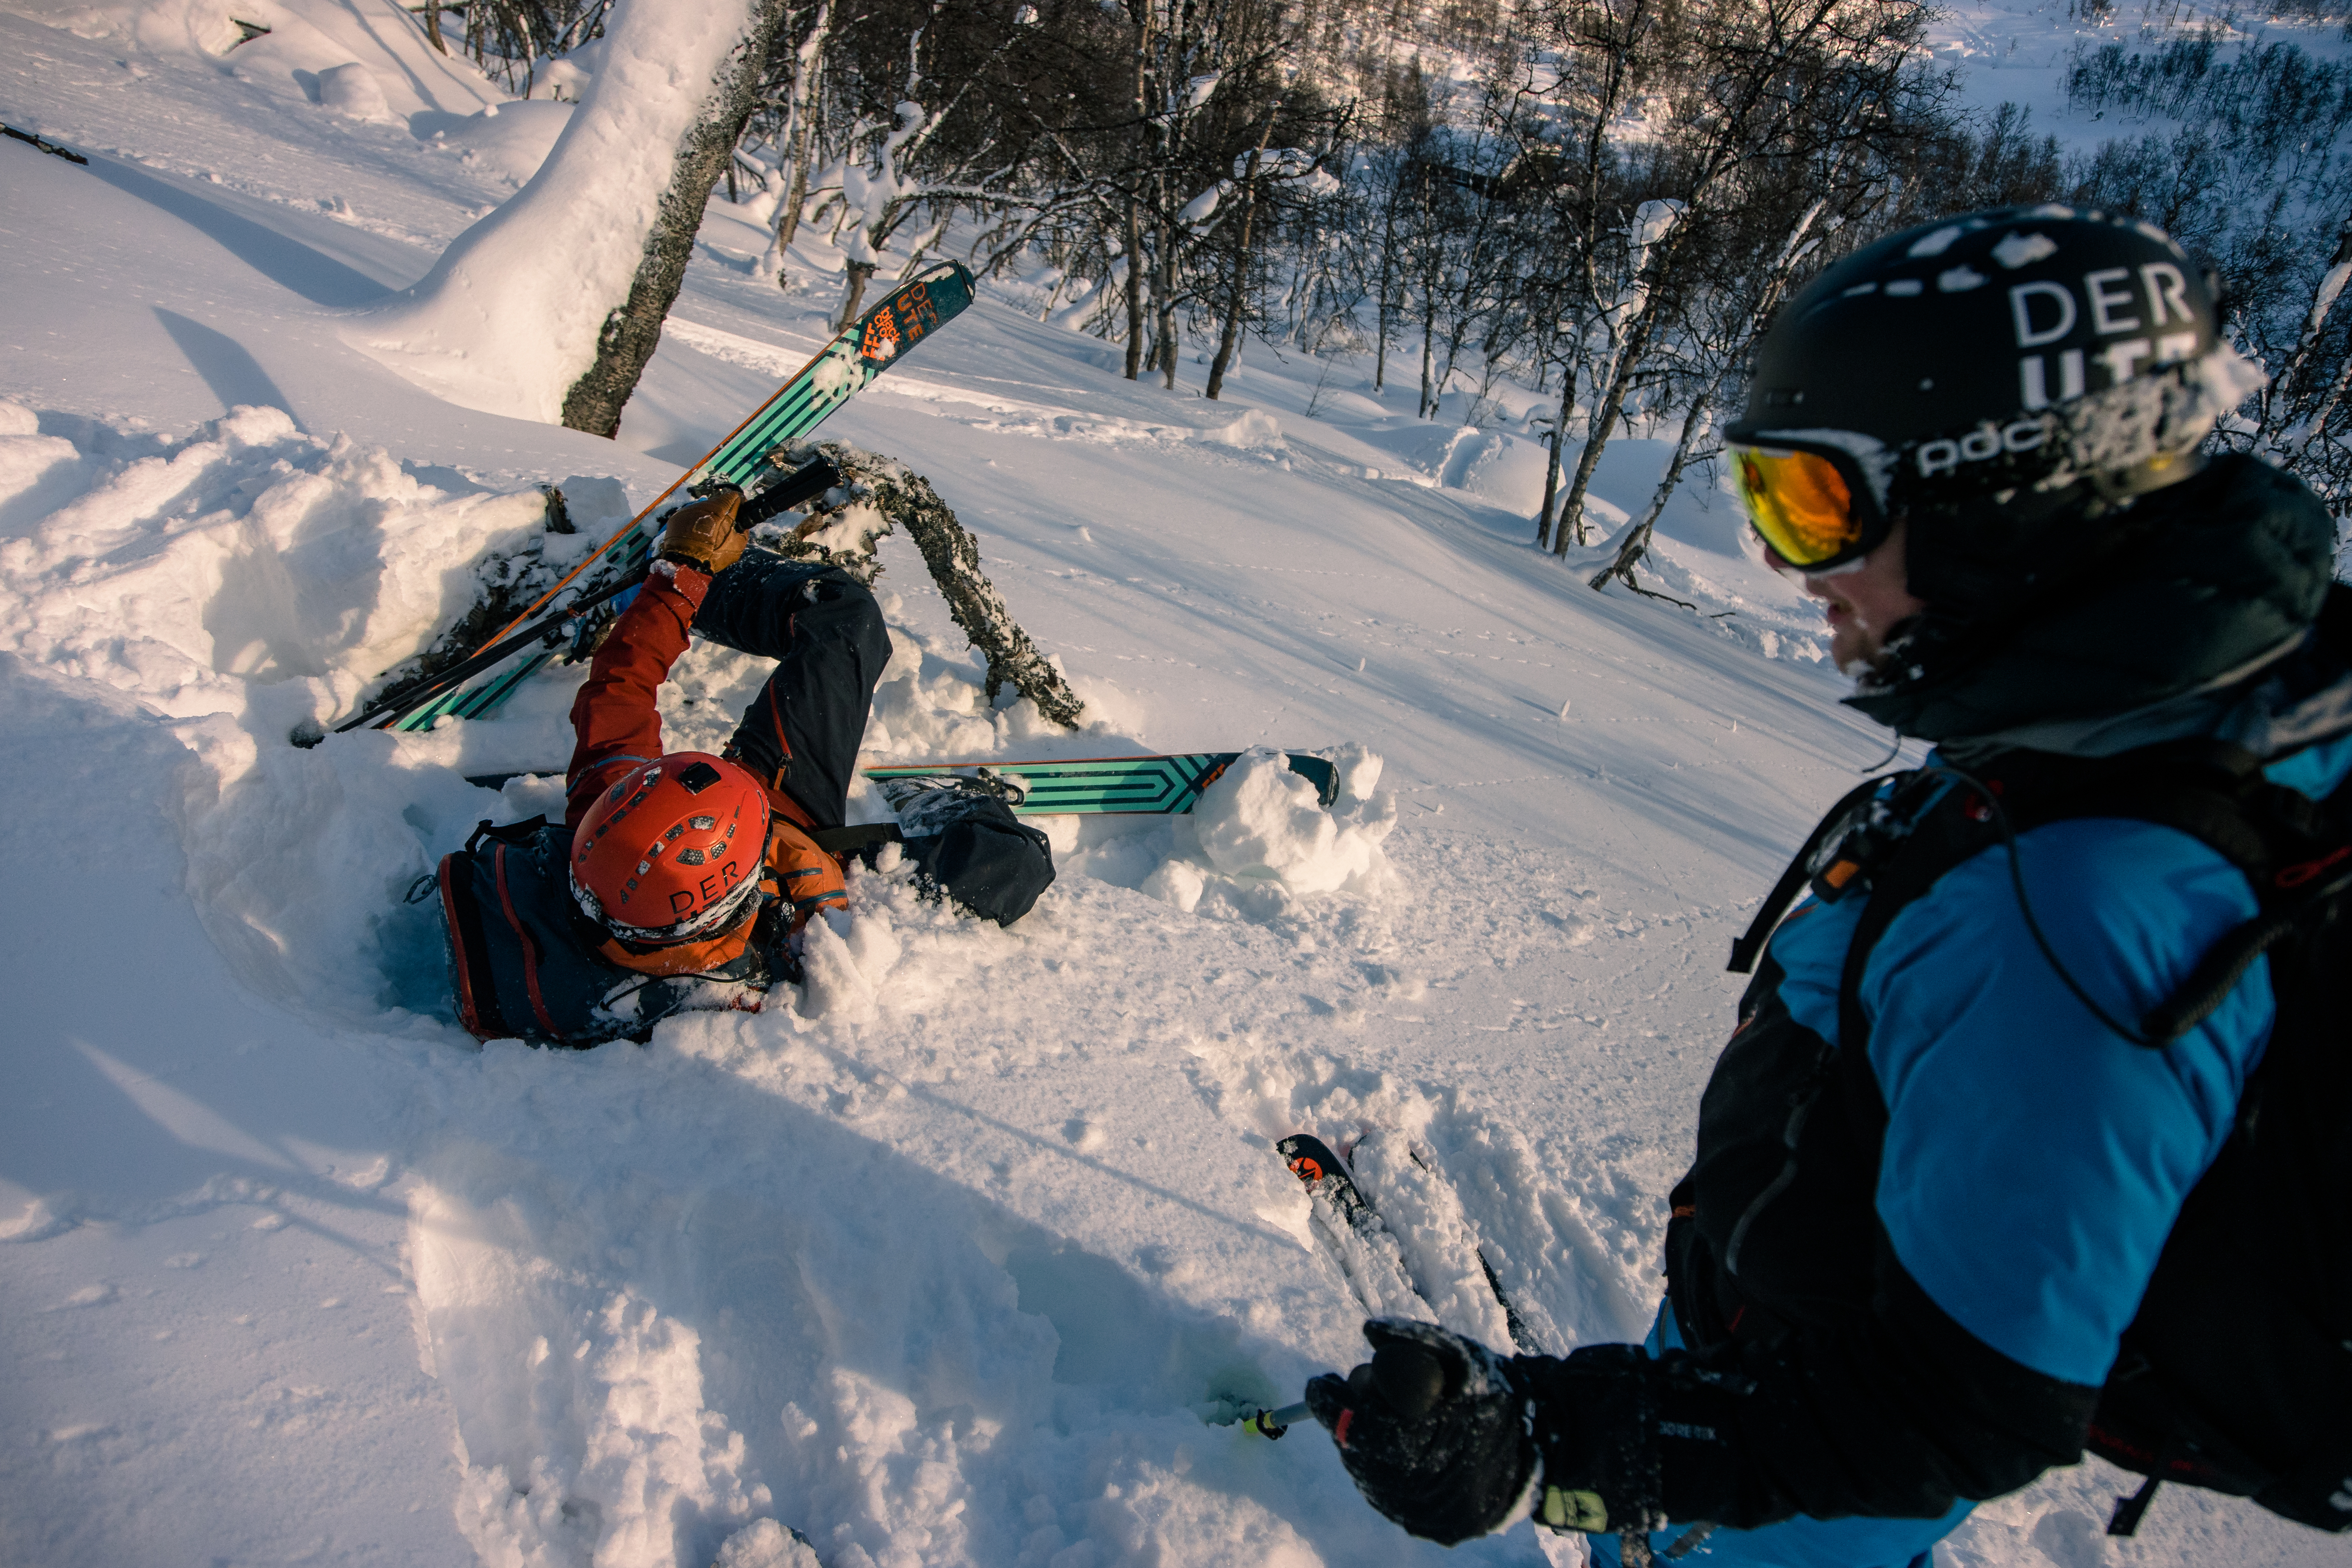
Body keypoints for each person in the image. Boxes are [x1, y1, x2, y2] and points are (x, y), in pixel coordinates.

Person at [1304, 206, 2352, 1563]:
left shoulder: (2067, 920)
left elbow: (1946, 1408)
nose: (1785, 570)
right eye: (1762, 502)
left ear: (2002, 497)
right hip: (1791, 1289)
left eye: (1809, 505)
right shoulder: (2204, 682)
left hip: (1810, 1469)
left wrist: (1547, 1452)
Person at [436, 489, 892, 1045]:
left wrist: (683, 574)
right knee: (847, 619)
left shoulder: (613, 823)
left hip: (739, 838)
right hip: (788, 823)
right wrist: (805, 868)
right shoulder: (739, 984)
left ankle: (695, 565)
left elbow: (619, 688)